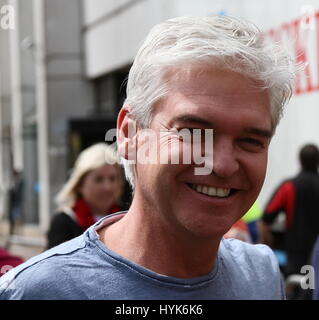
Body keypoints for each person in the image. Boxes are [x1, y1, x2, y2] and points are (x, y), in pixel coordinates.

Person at [0, 15, 295, 299]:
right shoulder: (37, 291)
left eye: (250, 141)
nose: (222, 164)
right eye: (193, 132)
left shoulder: (260, 274)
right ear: (129, 135)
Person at [47, 143, 124, 248]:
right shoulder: (64, 222)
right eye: (99, 179)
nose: (108, 187)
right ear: (80, 184)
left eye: (112, 178)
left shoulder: (125, 217)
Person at [260, 144, 319, 277]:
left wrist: (266, 243)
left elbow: (266, 218)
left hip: (295, 259)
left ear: (300, 161)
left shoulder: (289, 186)